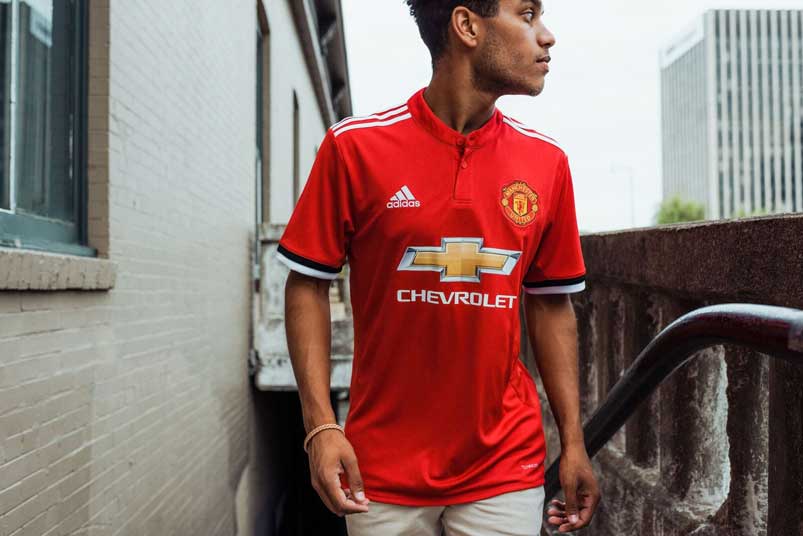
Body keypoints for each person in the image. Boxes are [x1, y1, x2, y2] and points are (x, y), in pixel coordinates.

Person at [278, 0, 601, 533]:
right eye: (527, 15)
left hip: (505, 466)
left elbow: (551, 305)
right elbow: (306, 286)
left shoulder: (547, 163)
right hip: (380, 468)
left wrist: (573, 442)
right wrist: (320, 427)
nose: (546, 36)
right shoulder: (354, 147)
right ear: (467, 25)